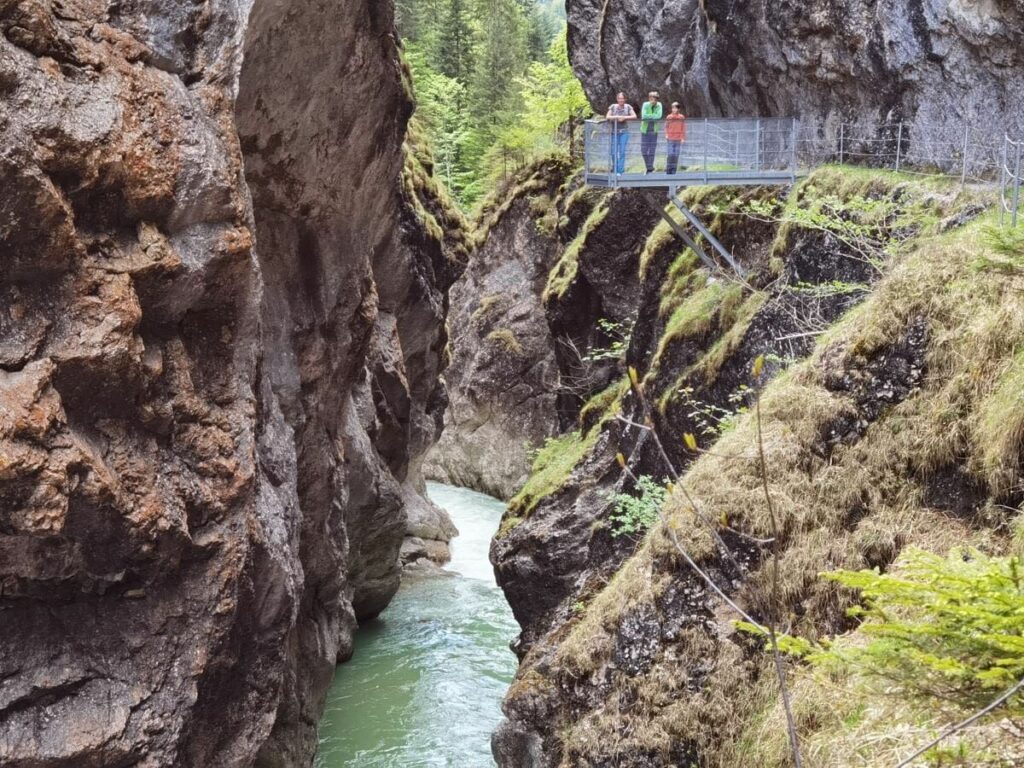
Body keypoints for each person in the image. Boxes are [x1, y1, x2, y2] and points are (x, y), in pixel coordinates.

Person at [606, 92, 636, 174]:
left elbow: (634, 116)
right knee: (613, 152)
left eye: (622, 98)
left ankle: (620, 171)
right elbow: (608, 116)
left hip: (624, 132)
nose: (621, 100)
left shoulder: (628, 107)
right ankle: (615, 169)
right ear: (617, 99)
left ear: (625, 99)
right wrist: (617, 117)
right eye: (619, 98)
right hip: (614, 132)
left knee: (622, 151)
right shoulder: (613, 107)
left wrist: (624, 118)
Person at [640, 91, 663, 173]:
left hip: (654, 131)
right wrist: (653, 116)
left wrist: (650, 117)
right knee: (643, 150)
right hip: (645, 131)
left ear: (656, 100)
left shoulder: (659, 105)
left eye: (654, 99)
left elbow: (659, 116)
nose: (652, 101)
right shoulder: (645, 105)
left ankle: (649, 168)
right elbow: (644, 116)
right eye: (651, 99)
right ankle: (649, 167)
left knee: (652, 150)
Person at [665, 102, 687, 174]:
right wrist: (666, 134)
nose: (674, 109)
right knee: (670, 154)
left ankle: (674, 171)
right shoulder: (669, 117)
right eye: (673, 108)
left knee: (676, 155)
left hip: (678, 139)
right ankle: (668, 170)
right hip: (670, 138)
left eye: (675, 108)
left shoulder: (681, 117)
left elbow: (683, 128)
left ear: (678, 109)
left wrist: (683, 138)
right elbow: (666, 127)